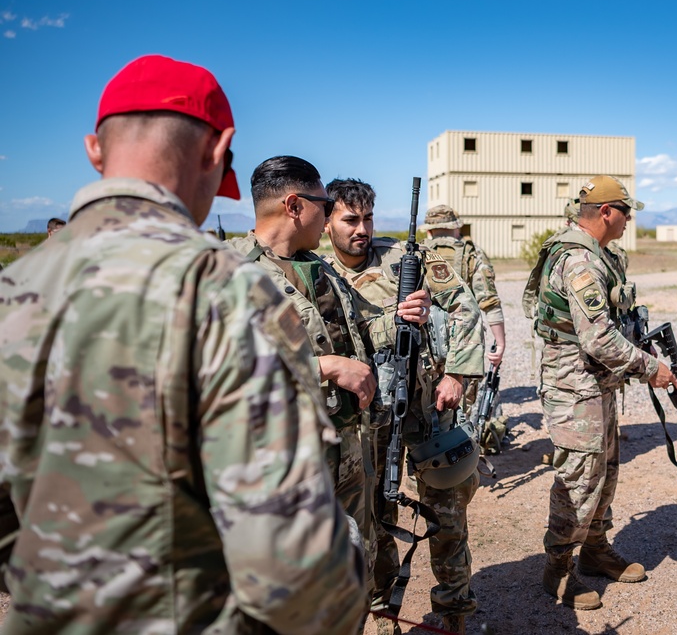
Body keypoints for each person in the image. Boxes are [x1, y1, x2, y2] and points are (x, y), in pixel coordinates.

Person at [0, 54, 366, 633]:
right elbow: (294, 572)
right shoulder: (227, 292)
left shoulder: (12, 290)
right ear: (216, 152)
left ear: (95, 151)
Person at [227, 156, 430, 596]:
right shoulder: (228, 275)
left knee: (353, 573)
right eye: (324, 204)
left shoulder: (317, 269)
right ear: (295, 205)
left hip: (350, 453)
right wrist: (324, 368)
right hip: (289, 466)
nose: (328, 214)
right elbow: (218, 373)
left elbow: (358, 334)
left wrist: (399, 317)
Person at [324, 178, 484, 635]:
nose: (361, 229)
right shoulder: (319, 275)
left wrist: (456, 372)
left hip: (428, 407)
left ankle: (456, 613)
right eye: (349, 219)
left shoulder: (403, 258)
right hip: (368, 420)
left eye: (367, 218)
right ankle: (384, 616)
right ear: (327, 221)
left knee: (448, 511)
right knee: (376, 520)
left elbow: (467, 309)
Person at [522, 175, 677, 610]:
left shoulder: (602, 255)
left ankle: (594, 550)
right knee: (577, 478)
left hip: (597, 384)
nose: (630, 220)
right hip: (575, 386)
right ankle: (557, 570)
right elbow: (598, 341)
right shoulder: (580, 262)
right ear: (607, 212)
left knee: (605, 470)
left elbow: (612, 329)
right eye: (627, 212)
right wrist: (652, 369)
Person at [420, 204, 505, 439]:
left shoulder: (418, 254)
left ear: (429, 231)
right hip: (463, 343)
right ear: (457, 228)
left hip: (423, 349)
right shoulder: (472, 254)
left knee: (422, 410)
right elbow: (488, 300)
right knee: (461, 410)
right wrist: (499, 342)